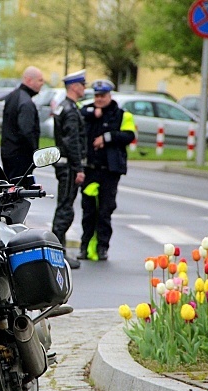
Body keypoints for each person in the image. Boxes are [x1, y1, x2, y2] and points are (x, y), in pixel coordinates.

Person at [78, 79, 136, 261]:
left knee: (105, 210)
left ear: (110, 95)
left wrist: (107, 137)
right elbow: (76, 113)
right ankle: (85, 246)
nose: (99, 99)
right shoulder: (86, 111)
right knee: (88, 211)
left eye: (102, 96)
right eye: (96, 95)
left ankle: (102, 247)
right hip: (89, 170)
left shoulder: (121, 115)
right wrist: (91, 113)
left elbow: (129, 135)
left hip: (110, 171)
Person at [51, 69, 87, 270]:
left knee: (63, 207)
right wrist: (78, 167)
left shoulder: (64, 107)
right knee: (65, 210)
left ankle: (58, 251)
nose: (84, 88)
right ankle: (58, 255)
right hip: (69, 167)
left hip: (64, 164)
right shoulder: (71, 110)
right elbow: (72, 141)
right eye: (83, 85)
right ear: (74, 86)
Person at [0, 66, 45, 180]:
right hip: (20, 157)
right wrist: (35, 152)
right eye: (40, 80)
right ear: (29, 80)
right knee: (19, 192)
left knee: (9, 189)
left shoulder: (12, 96)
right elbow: (27, 131)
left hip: (8, 152)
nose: (42, 83)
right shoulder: (26, 102)